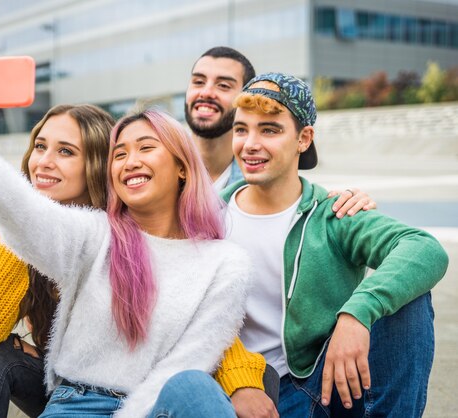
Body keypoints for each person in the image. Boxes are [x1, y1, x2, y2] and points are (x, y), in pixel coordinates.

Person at [0, 55, 255, 418]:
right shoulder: (95, 236)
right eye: (120, 153)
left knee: (192, 385)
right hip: (75, 402)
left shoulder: (224, 260)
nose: (43, 162)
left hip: (155, 404)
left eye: (145, 148)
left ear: (181, 166)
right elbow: (19, 212)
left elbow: (203, 346)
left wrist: (244, 381)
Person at [163, 72, 449, 417]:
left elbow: (423, 248)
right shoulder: (208, 219)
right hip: (240, 390)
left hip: (323, 385)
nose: (250, 143)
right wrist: (237, 383)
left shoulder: (333, 213)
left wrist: (356, 313)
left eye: (269, 129)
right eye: (242, 129)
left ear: (303, 138)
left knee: (409, 299)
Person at [0, 103, 115, 417]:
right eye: (40, 147)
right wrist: (16, 226)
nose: (43, 162)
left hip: (116, 397)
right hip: (59, 386)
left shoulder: (117, 233)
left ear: (96, 164)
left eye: (65, 152)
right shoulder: (18, 233)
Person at [185, 47, 372, 222]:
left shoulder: (270, 182)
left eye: (223, 85)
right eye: (198, 82)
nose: (206, 92)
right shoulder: (161, 169)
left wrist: (353, 209)